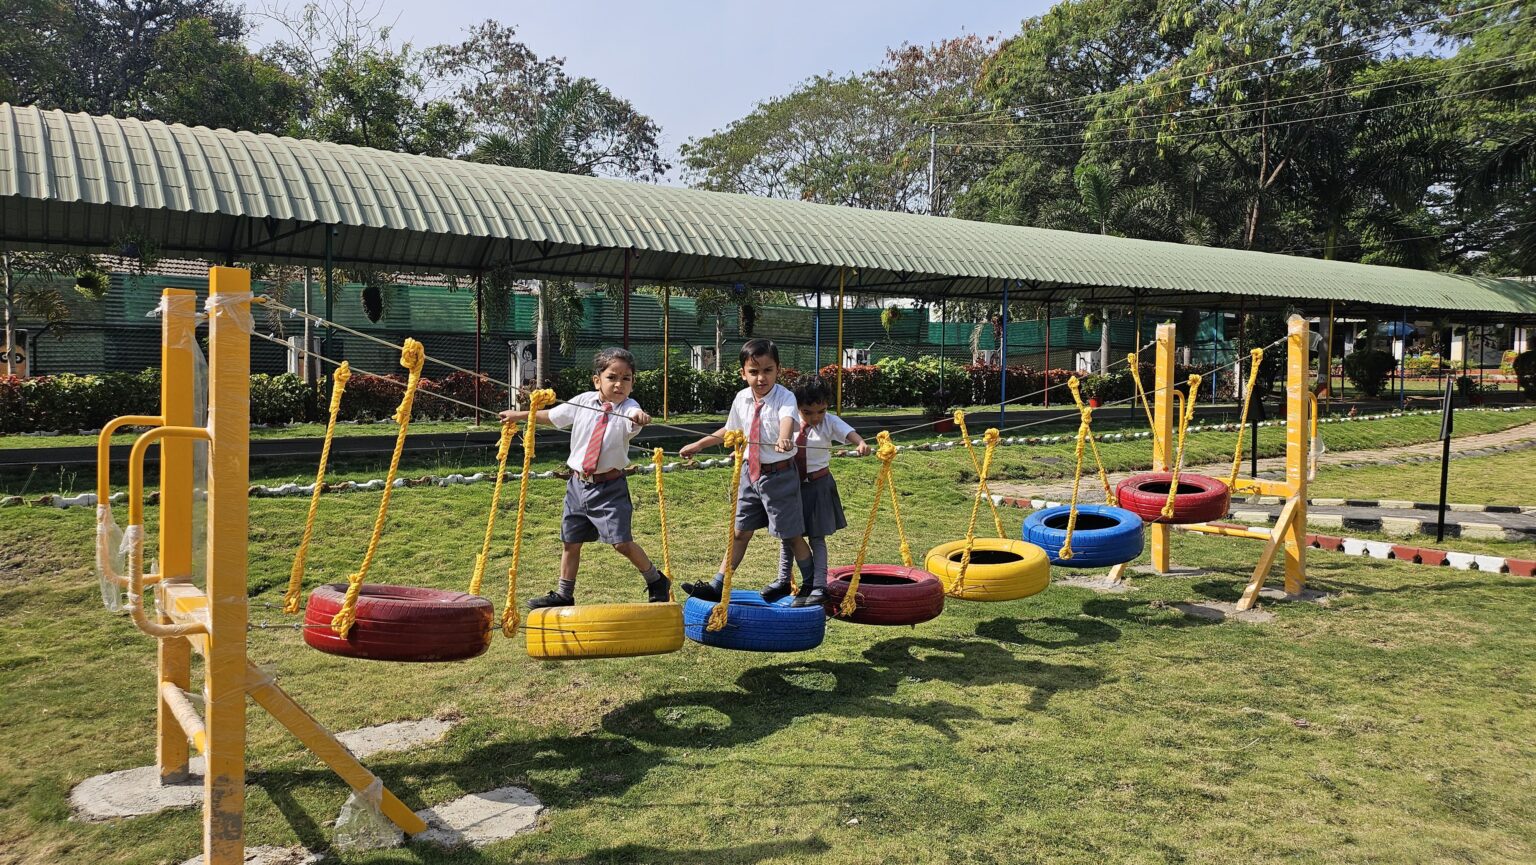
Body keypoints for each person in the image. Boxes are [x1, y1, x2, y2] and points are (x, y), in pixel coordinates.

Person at [499, 347, 669, 608]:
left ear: (632, 383)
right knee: (570, 542)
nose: (619, 384)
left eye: (626, 378)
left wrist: (639, 417)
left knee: (621, 543)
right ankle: (564, 594)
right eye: (612, 377)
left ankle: (656, 579)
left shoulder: (628, 407)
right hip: (577, 485)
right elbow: (553, 417)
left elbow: (633, 417)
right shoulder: (584, 401)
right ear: (597, 380)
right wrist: (520, 415)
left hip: (609, 488)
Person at [678, 337, 816, 603]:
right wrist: (699, 445)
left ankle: (811, 585)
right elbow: (730, 430)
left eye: (767, 370)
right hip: (749, 474)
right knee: (740, 532)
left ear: (778, 370)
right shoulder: (741, 399)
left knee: (791, 535)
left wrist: (784, 437)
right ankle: (718, 584)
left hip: (779, 475)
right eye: (754, 371)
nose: (761, 378)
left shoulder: (785, 397)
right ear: (743, 373)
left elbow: (787, 419)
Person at [778, 377, 869, 607]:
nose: (815, 417)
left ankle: (819, 586)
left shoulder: (829, 422)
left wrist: (860, 443)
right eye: (808, 412)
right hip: (792, 487)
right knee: (789, 535)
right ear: (798, 407)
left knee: (816, 537)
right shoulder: (787, 422)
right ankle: (783, 580)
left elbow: (848, 432)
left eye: (821, 411)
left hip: (818, 486)